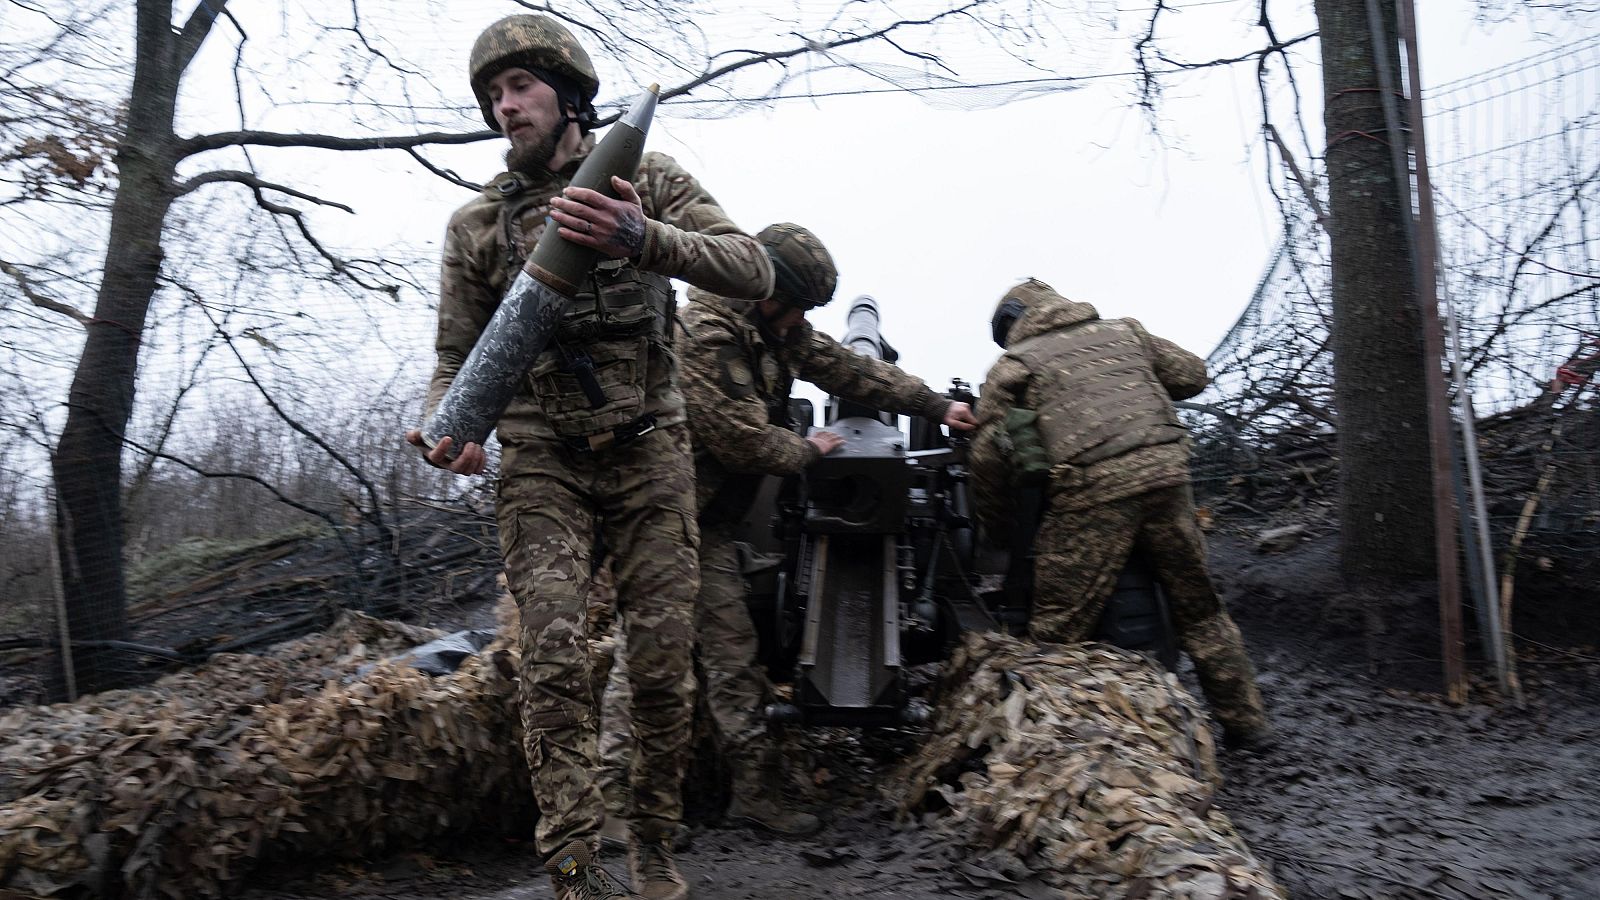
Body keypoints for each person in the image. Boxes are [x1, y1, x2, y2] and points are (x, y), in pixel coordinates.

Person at [406, 15, 774, 900]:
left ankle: (651, 844)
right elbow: (455, 359)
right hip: (541, 455)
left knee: (658, 664)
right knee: (554, 659)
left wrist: (644, 239)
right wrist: (440, 425)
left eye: (521, 86)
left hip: (652, 447)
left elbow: (753, 268)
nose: (505, 106)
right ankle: (576, 870)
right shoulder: (475, 227)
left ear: (570, 94)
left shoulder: (643, 177)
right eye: (494, 94)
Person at [672, 223, 978, 834]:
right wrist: (807, 450)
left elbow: (848, 371)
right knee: (662, 667)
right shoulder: (706, 336)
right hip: (668, 520)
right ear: (766, 292)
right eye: (801, 307)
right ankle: (618, 817)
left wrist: (937, 406)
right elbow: (740, 442)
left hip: (709, 524)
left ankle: (744, 796)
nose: (803, 322)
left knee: (726, 661)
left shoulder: (773, 328)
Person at [967, 278, 1270, 748]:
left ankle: (1043, 747)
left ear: (1011, 325)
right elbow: (1192, 374)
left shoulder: (1014, 365)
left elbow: (987, 454)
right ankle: (1247, 725)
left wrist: (1001, 532)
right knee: (1200, 609)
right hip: (1168, 477)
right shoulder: (1126, 331)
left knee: (1057, 628)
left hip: (1092, 491)